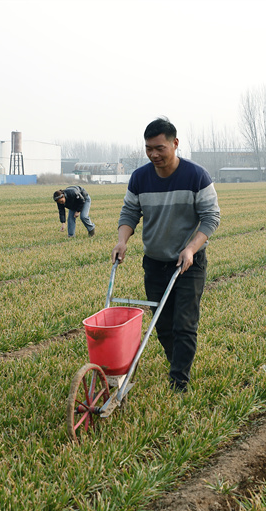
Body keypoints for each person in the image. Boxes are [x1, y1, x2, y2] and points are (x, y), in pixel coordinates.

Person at [111, 117, 221, 392]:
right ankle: (177, 362)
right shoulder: (140, 177)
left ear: (175, 143)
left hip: (188, 263)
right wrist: (122, 241)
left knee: (184, 323)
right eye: (149, 148)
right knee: (162, 324)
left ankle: (179, 381)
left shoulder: (196, 176)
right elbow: (130, 212)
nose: (154, 154)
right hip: (155, 262)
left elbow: (210, 217)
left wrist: (191, 248)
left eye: (159, 148)